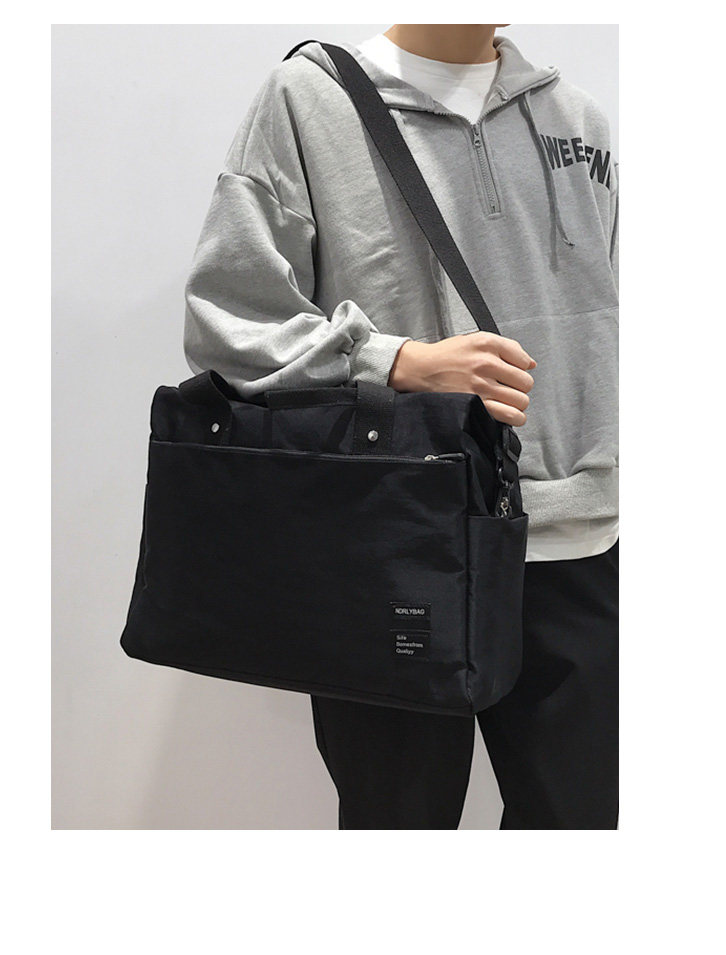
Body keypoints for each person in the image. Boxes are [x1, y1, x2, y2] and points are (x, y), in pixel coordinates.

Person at [183, 24, 618, 829]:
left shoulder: (579, 120)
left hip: (576, 539)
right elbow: (229, 320)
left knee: (587, 825)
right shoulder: (307, 101)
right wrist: (397, 361)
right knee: (397, 825)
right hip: (391, 541)